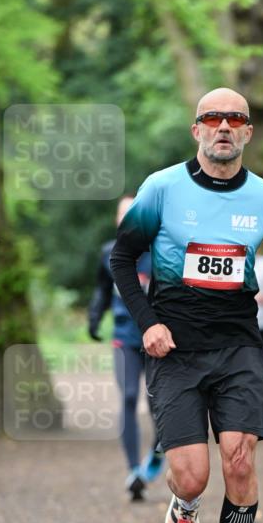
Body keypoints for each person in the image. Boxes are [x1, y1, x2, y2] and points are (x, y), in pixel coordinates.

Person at [110, 87, 263, 523]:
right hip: (174, 348)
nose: (223, 127)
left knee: (240, 463)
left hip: (239, 346)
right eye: (212, 118)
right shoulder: (162, 188)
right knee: (192, 475)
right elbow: (123, 260)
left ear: (248, 132)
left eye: (235, 119)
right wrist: (148, 323)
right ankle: (185, 504)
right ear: (197, 130)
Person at [88, 196, 164, 501]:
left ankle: (157, 454)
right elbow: (101, 291)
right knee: (130, 397)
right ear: (116, 220)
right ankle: (134, 471)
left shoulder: (158, 253)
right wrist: (94, 317)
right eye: (122, 214)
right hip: (124, 339)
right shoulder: (109, 253)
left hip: (157, 340)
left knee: (162, 404)